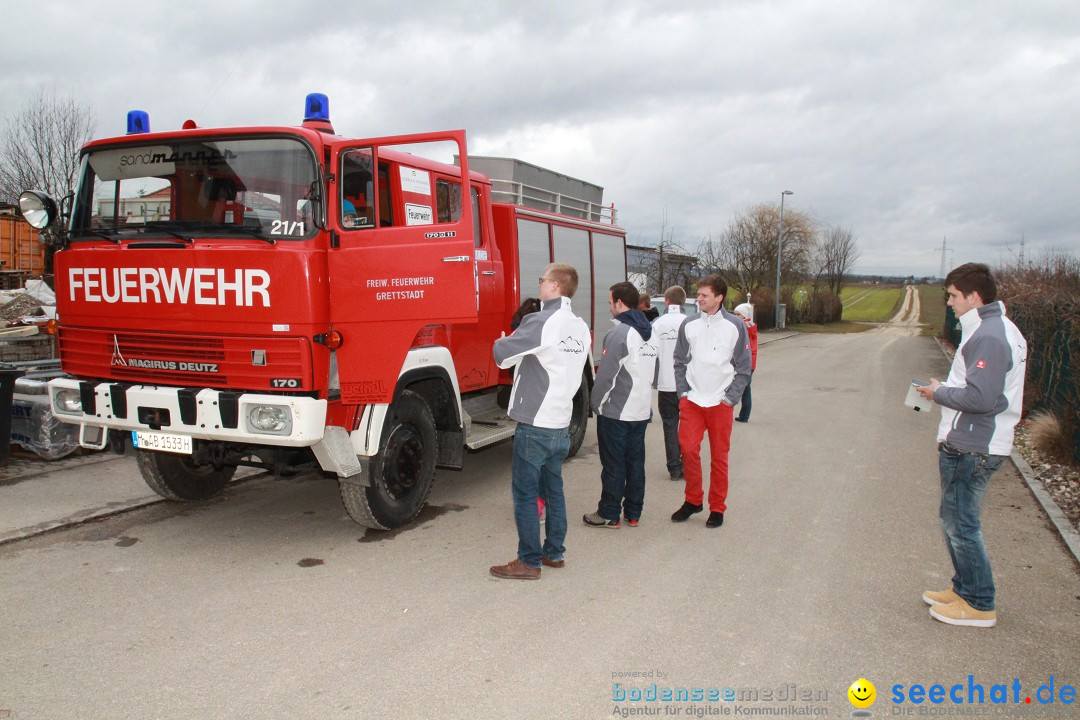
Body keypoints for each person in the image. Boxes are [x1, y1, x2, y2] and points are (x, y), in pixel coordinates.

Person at [915, 263, 1026, 627]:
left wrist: (939, 392)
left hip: (974, 445)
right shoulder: (993, 329)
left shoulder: (990, 336)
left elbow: (980, 398)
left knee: (961, 524)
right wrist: (945, 387)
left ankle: (979, 602)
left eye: (953, 296)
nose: (949, 303)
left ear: (974, 297)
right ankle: (964, 588)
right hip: (974, 440)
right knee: (953, 519)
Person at [489, 263, 590, 579]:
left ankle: (528, 561)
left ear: (556, 286)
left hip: (535, 422)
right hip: (560, 421)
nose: (539, 283)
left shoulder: (541, 320)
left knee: (525, 494)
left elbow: (501, 355)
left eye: (542, 279)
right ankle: (554, 553)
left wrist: (507, 339)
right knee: (554, 490)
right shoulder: (579, 326)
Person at [671, 275, 752, 528]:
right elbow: (679, 361)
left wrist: (731, 399)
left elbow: (744, 367)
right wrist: (682, 393)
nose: (699, 299)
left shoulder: (735, 326)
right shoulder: (689, 324)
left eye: (705, 295)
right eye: (699, 294)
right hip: (693, 401)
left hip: (720, 403)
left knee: (719, 457)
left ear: (719, 297)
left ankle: (717, 507)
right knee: (688, 449)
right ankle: (693, 500)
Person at [583, 282, 658, 528]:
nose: (610, 308)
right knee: (635, 463)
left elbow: (606, 376)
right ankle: (634, 513)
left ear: (620, 303)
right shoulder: (652, 331)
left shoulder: (619, 333)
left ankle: (609, 513)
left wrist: (595, 403)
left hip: (617, 411)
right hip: (640, 410)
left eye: (610, 303)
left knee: (613, 465)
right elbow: (653, 372)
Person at [652, 285, 690, 480]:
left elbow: (652, 353)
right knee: (688, 426)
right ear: (683, 302)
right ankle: (687, 464)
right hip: (688, 385)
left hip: (666, 383)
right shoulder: (691, 322)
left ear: (666, 301)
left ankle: (674, 468)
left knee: (670, 426)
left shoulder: (658, 324)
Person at [732, 303, 758, 423]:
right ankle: (744, 415)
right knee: (746, 389)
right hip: (750, 362)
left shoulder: (743, 327)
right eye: (735, 314)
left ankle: (742, 415)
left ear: (744, 316)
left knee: (740, 388)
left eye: (738, 314)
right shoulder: (750, 326)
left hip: (744, 362)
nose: (735, 316)